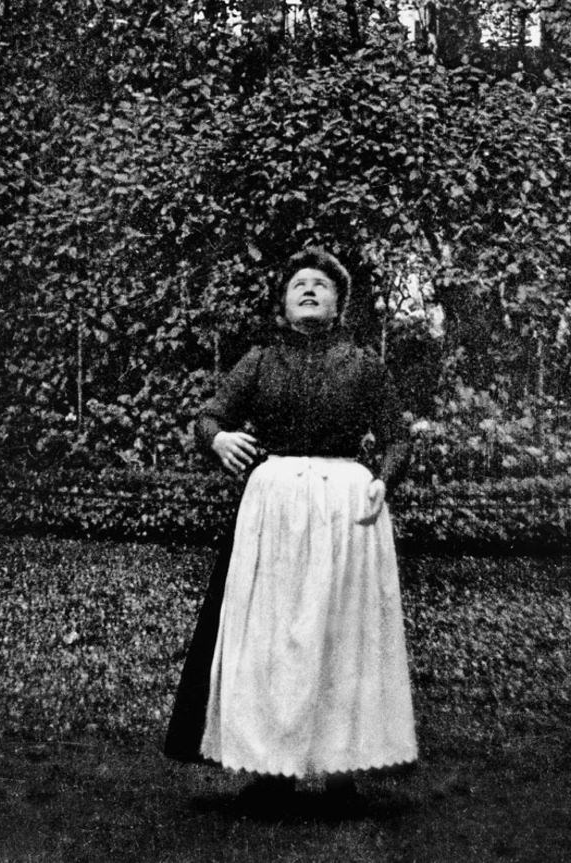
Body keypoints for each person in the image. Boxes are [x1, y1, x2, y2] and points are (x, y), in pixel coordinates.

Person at [164, 245, 417, 798]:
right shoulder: (258, 361)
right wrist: (220, 437)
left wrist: (382, 479)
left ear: (338, 304)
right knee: (271, 635)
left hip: (344, 506)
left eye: (321, 285)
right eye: (298, 283)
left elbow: (397, 438)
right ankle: (268, 767)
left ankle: (343, 766)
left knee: (342, 634)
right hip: (273, 507)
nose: (309, 290)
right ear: (283, 303)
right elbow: (209, 416)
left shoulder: (364, 366)